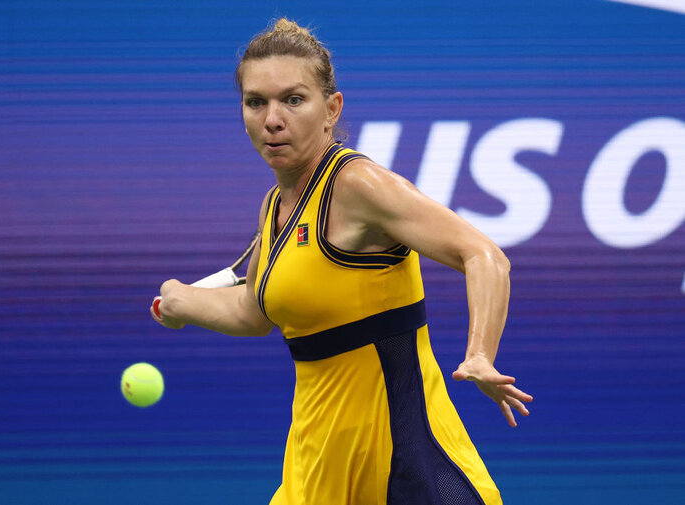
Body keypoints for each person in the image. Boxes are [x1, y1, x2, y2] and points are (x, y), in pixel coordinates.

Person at [152, 18, 532, 505]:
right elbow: (254, 312)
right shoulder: (276, 206)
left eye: (293, 100)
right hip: (315, 459)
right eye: (256, 102)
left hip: (398, 459)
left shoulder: (357, 186)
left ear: (331, 109)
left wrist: (479, 354)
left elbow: (483, 256)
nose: (272, 119)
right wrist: (182, 301)